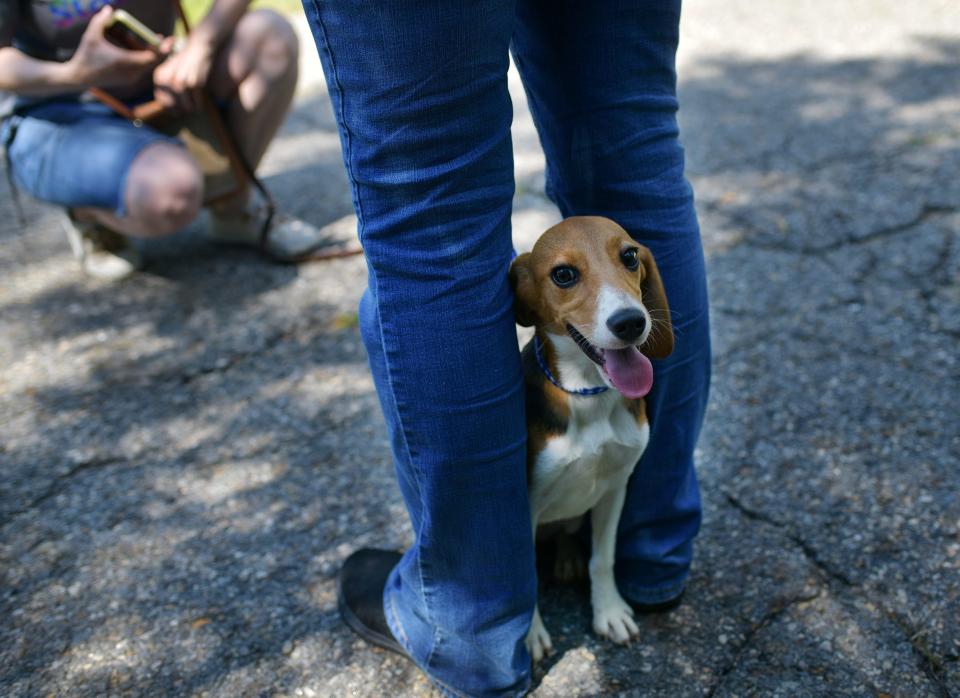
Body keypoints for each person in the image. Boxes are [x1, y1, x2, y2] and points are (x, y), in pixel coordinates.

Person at [0, 0, 330, 279]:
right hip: (62, 108)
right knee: (172, 191)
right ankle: (88, 211)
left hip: (160, 87)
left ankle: (233, 203)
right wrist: (76, 73)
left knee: (269, 35)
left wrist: (202, 45)